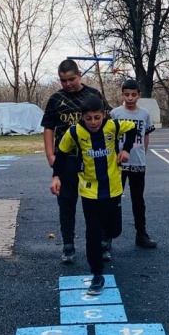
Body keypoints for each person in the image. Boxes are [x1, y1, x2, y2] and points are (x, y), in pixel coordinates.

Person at [50, 96, 137, 295]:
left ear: (104, 114)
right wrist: (56, 176)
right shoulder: (74, 132)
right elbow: (61, 154)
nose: (93, 122)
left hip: (113, 188)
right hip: (89, 190)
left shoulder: (113, 126)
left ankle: (108, 237)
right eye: (88, 118)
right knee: (93, 232)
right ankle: (97, 275)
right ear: (82, 117)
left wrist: (126, 150)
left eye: (97, 117)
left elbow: (132, 128)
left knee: (114, 230)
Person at [42, 59, 110, 264]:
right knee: (66, 203)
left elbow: (108, 123)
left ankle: (102, 243)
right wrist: (50, 156)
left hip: (93, 157)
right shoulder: (55, 99)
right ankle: (68, 245)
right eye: (63, 80)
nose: (68, 84)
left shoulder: (93, 95)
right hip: (66, 159)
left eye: (71, 79)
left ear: (79, 75)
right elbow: (48, 128)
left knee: (99, 203)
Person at [110, 79, 158, 250]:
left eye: (133, 95)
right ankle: (107, 236)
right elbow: (110, 136)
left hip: (137, 162)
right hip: (118, 164)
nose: (130, 98)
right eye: (126, 94)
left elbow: (146, 135)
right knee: (113, 199)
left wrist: (143, 154)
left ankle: (141, 233)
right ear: (122, 94)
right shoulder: (115, 113)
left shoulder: (144, 114)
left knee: (138, 200)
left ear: (139, 95)